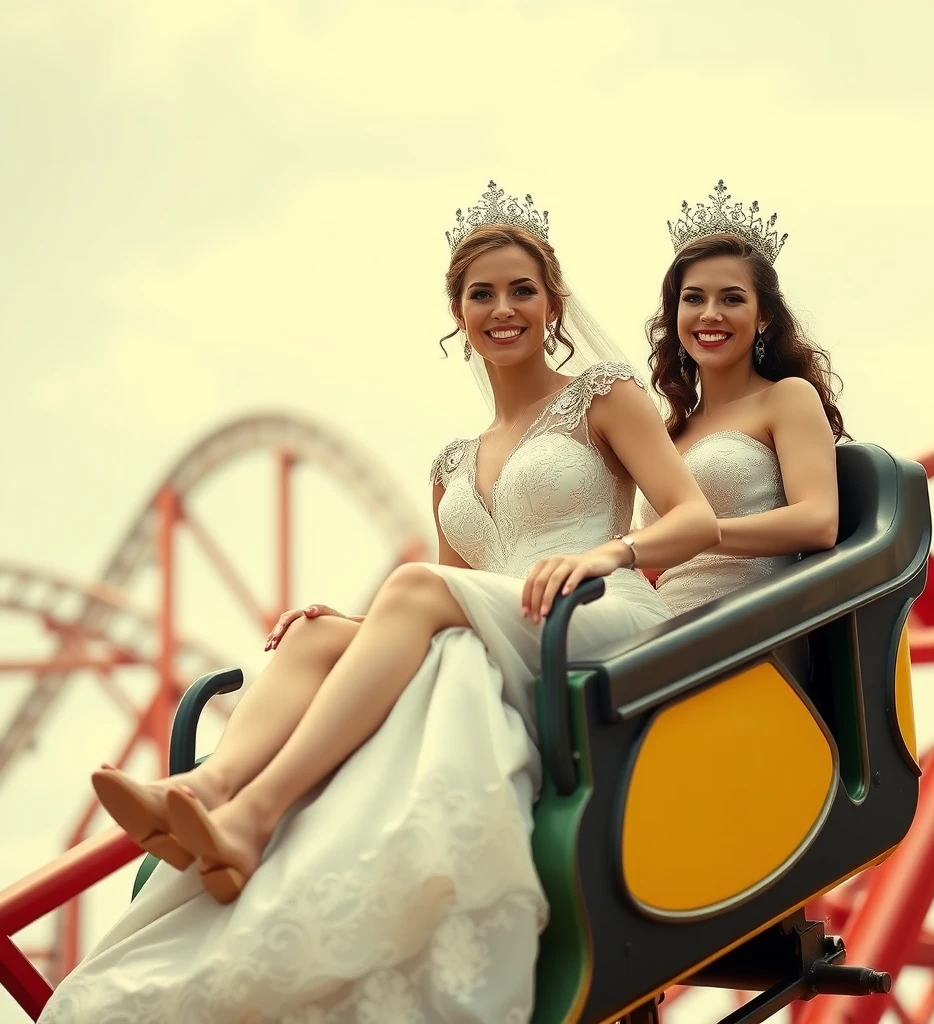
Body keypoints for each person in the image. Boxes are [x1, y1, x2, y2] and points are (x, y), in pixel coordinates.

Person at [41, 182, 719, 1023]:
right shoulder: (451, 462)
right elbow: (441, 600)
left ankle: (253, 811)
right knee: (320, 634)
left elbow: (694, 518)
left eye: (521, 290)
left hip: (592, 614)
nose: (503, 308)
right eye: (482, 294)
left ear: (553, 306)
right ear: (457, 315)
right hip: (502, 622)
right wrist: (343, 628)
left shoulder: (604, 397)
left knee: (409, 593)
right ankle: (210, 786)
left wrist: (604, 553)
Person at [637, 180, 848, 615]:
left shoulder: (787, 399)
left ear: (764, 316)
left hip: (747, 634)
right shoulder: (671, 432)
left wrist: (698, 532)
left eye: (732, 299)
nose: (710, 314)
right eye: (693, 298)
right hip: (658, 628)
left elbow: (819, 521)